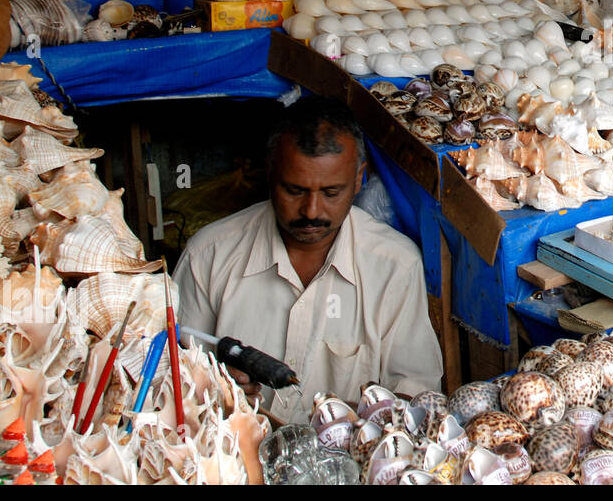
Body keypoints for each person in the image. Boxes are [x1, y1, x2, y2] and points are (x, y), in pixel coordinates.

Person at [175, 98, 442, 423]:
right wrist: (213, 390)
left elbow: (414, 395)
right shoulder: (210, 255)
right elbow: (173, 379)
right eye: (295, 190)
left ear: (359, 179)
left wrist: (350, 420)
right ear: (270, 172)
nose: (312, 211)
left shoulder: (394, 265)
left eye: (331, 193)